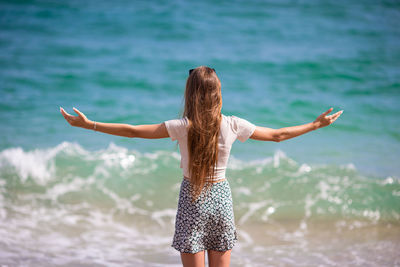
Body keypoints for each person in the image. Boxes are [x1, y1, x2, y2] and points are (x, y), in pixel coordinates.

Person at [60, 66, 343, 267]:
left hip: (192, 199)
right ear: (218, 92)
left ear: (191, 94)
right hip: (221, 200)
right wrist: (316, 124)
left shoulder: (182, 127)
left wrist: (90, 125)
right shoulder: (233, 124)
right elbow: (278, 135)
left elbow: (134, 131)